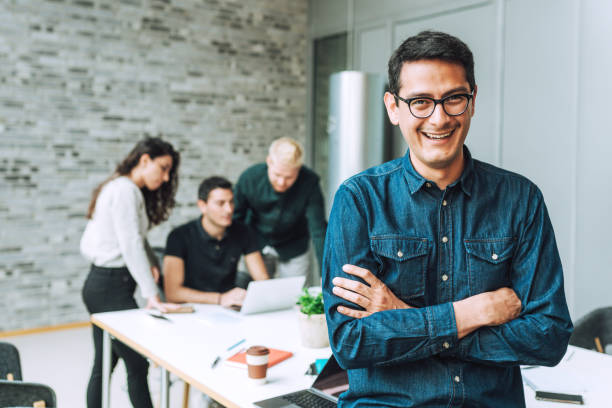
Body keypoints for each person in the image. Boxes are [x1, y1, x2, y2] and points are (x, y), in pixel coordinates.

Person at [322, 31, 573, 407]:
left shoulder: (521, 200)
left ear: (473, 101)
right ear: (393, 108)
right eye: (420, 102)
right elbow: (351, 343)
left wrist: (409, 318)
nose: (439, 118)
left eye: (454, 98)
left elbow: (548, 337)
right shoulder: (359, 200)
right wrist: (472, 312)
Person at [80, 137, 181, 408]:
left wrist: (150, 262)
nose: (166, 176)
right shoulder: (125, 190)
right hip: (108, 288)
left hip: (104, 285)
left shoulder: (122, 188)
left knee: (105, 362)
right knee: (137, 362)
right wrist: (152, 294)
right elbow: (130, 244)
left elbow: (138, 239)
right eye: (163, 168)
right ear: (144, 160)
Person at [163, 176, 269, 307]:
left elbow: (263, 280)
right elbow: (173, 293)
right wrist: (219, 298)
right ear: (202, 206)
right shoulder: (178, 236)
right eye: (221, 203)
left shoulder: (243, 231)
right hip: (191, 308)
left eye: (231, 202)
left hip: (227, 308)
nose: (229, 209)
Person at [233, 137, 327, 279]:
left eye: (289, 177)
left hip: (295, 245)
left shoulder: (310, 183)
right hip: (256, 242)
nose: (282, 182)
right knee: (251, 290)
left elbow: (318, 230)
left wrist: (325, 275)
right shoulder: (250, 178)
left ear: (299, 168)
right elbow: (235, 219)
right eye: (277, 175)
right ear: (269, 161)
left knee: (296, 296)